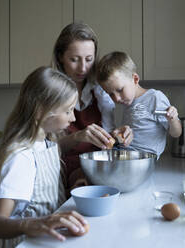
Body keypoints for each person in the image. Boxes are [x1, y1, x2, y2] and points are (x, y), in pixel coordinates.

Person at [0, 66, 88, 247]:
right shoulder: (21, 157)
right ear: (41, 111)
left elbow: (41, 197)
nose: (73, 118)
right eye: (68, 110)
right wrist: (30, 224)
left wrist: (70, 191)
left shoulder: (46, 144)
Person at [51, 22, 133, 189]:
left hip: (98, 172)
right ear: (60, 57)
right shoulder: (50, 92)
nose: (83, 68)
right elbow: (45, 150)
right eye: (74, 60)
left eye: (89, 59)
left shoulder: (101, 92)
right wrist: (78, 136)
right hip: (62, 176)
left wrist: (118, 136)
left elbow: (108, 141)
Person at [96, 51, 182, 158]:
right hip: (125, 155)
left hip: (145, 158)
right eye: (111, 94)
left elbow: (176, 133)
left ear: (135, 79)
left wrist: (173, 119)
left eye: (120, 89)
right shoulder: (128, 102)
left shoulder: (155, 98)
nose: (116, 98)